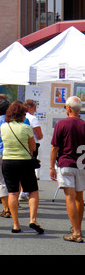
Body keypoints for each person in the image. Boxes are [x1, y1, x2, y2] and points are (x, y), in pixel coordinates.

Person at [0, 101, 44, 234]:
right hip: (24, 162)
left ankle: (15, 224)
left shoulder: (3, 126)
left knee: (13, 192)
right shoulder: (26, 128)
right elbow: (32, 147)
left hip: (8, 161)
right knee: (32, 191)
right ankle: (33, 219)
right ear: (21, 114)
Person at [50, 96, 85, 243]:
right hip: (81, 164)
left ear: (69, 108)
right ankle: (77, 227)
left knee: (69, 198)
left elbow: (55, 147)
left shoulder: (62, 124)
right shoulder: (84, 124)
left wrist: (51, 166)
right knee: (79, 197)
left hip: (66, 164)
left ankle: (76, 232)